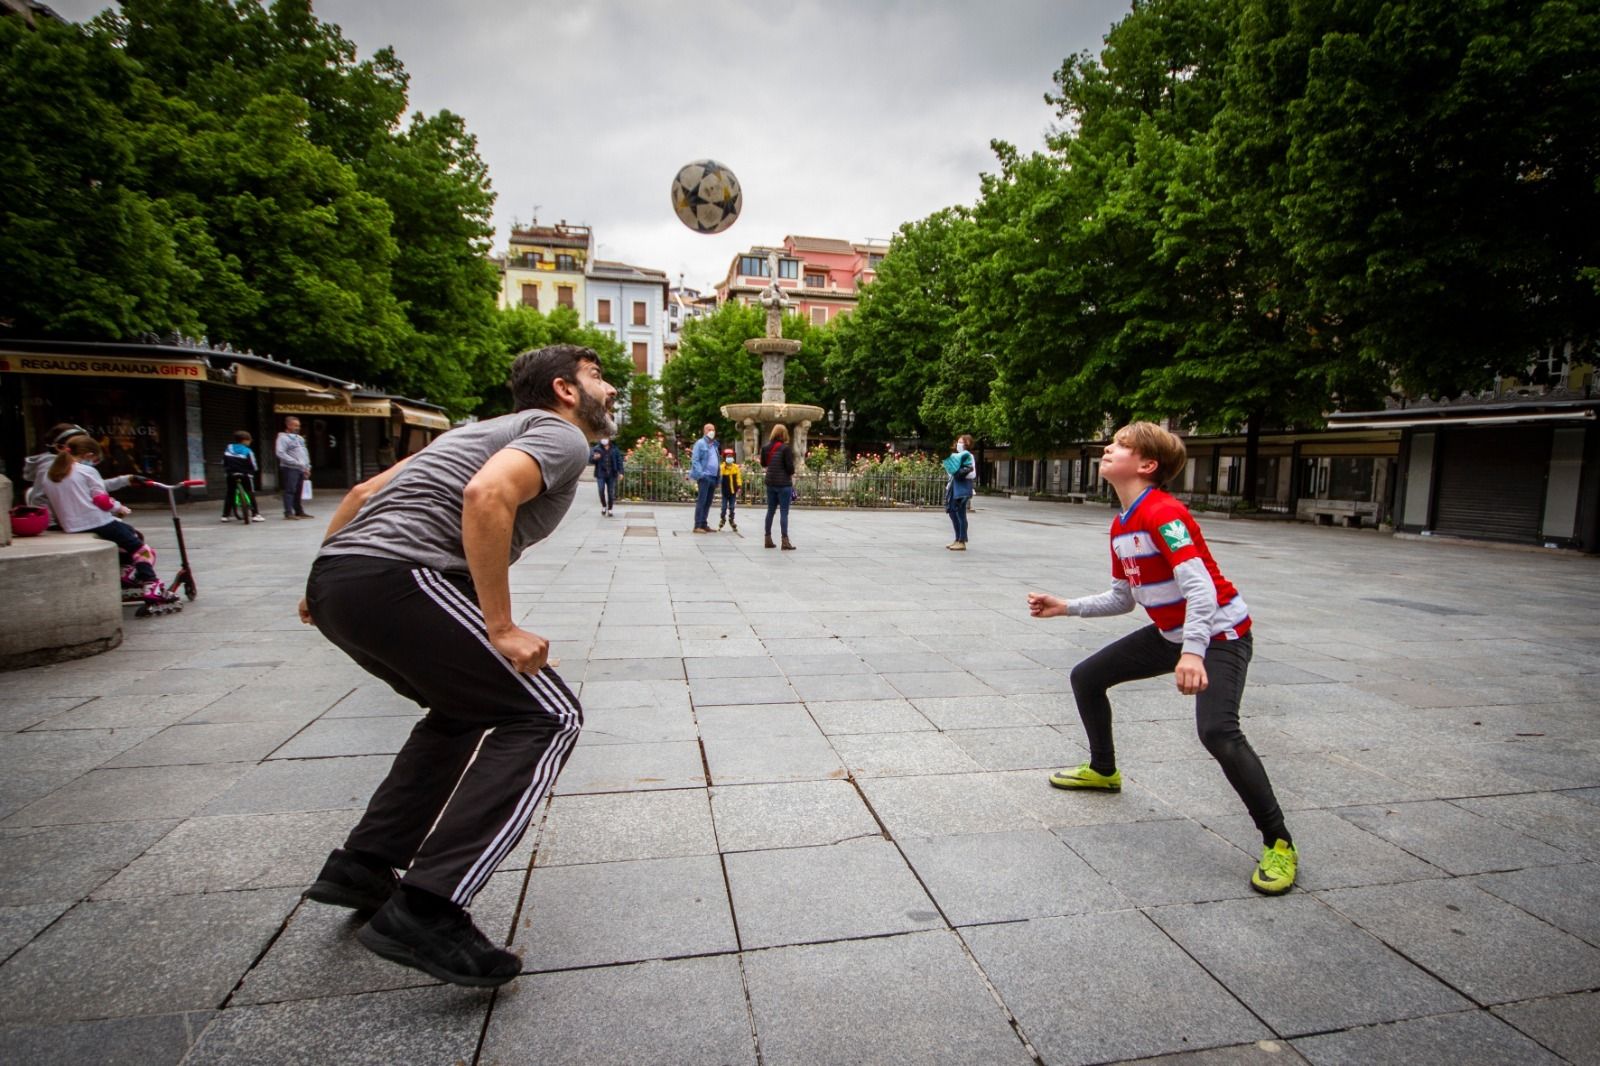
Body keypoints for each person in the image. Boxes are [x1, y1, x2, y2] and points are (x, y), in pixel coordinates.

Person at [297, 344, 616, 988]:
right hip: (403, 577)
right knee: (550, 714)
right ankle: (428, 906)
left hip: (344, 578)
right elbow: (486, 494)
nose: (610, 389)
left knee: (464, 709)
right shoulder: (560, 434)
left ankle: (364, 863)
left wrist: (325, 580)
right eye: (598, 377)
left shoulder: (476, 430)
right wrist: (499, 625)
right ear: (563, 389)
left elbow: (363, 492)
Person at [1026, 421, 1297, 895]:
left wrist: (1193, 653)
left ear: (1147, 465)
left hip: (1221, 634)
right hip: (1176, 632)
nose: (1107, 448)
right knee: (1087, 677)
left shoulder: (1163, 513)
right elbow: (1124, 598)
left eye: (1120, 445)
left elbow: (1201, 589)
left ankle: (1279, 843)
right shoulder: (1122, 524)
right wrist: (1065, 606)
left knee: (1218, 732)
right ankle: (1104, 771)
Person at [36, 434, 165, 600]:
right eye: (95, 459)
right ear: (88, 455)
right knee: (141, 549)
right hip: (98, 522)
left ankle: (126, 572)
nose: (94, 463)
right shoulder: (87, 471)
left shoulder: (50, 475)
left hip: (71, 525)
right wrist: (119, 508)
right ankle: (151, 585)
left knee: (129, 533)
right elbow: (102, 500)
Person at [22, 422, 88, 521]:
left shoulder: (68, 463)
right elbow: (39, 497)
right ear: (60, 447)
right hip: (62, 522)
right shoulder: (49, 466)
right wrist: (51, 522)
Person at [761, 423, 796, 550]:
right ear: (784, 434)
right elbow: (790, 468)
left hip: (770, 483)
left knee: (770, 511)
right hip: (783, 484)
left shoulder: (765, 448)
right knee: (784, 512)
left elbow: (763, 463)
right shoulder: (785, 449)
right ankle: (785, 541)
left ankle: (767, 538)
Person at [942, 433, 977, 550]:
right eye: (958, 442)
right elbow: (951, 473)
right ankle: (957, 539)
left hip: (962, 488)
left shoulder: (968, 456)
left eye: (961, 442)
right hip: (953, 487)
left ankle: (962, 541)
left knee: (960, 514)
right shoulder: (956, 456)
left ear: (968, 443)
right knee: (952, 512)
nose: (958, 444)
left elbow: (972, 474)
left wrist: (960, 473)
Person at [274, 416, 313, 520]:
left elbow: (305, 453)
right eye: (295, 425)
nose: (297, 427)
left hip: (301, 468)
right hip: (289, 468)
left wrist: (307, 467)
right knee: (290, 490)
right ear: (288, 425)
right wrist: (294, 462)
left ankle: (299, 511)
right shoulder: (283, 438)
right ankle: (288, 512)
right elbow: (280, 453)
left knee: (298, 491)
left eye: (298, 425)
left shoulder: (299, 438)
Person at [220, 431, 263, 522]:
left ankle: (225, 515)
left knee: (230, 493)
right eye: (249, 440)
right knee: (249, 492)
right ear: (245, 441)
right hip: (244, 474)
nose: (250, 442)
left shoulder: (229, 447)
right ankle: (256, 514)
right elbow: (254, 465)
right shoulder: (248, 451)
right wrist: (253, 472)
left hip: (231, 474)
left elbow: (223, 462)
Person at [690, 422, 720, 533]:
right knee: (702, 501)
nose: (712, 432)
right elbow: (695, 460)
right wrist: (701, 474)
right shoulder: (700, 443)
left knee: (708, 502)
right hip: (705, 476)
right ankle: (697, 525)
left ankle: (703, 523)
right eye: (709, 429)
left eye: (713, 429)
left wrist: (718, 476)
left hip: (713, 477)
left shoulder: (715, 445)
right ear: (704, 431)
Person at [589, 436, 623, 517]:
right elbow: (590, 460)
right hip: (600, 474)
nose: (604, 440)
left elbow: (619, 461)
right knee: (601, 490)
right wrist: (595, 458)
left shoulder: (614, 449)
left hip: (612, 474)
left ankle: (610, 509)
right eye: (602, 438)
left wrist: (621, 472)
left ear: (609, 439)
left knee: (611, 493)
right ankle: (604, 506)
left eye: (606, 438)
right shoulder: (596, 448)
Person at [717, 447, 741, 532]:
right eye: (728, 457)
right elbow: (720, 476)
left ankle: (731, 519)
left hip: (733, 491)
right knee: (723, 507)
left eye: (731, 456)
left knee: (732, 507)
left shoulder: (735, 467)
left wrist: (739, 486)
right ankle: (722, 518)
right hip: (725, 491)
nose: (730, 458)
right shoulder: (722, 467)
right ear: (724, 458)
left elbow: (738, 477)